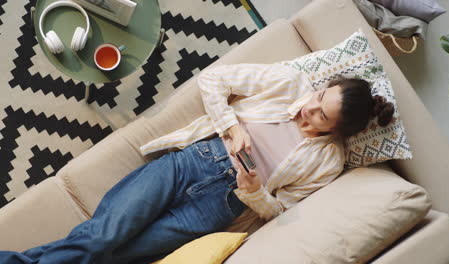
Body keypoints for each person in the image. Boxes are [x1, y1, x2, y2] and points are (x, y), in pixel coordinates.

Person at [0, 63, 394, 264]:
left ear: (337, 130)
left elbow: (282, 210)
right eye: (320, 95)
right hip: (191, 164)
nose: (309, 107)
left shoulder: (328, 162)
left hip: (215, 210)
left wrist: (255, 192)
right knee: (103, 237)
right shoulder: (289, 83)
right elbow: (214, 80)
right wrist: (231, 126)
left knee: (115, 256)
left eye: (322, 116)